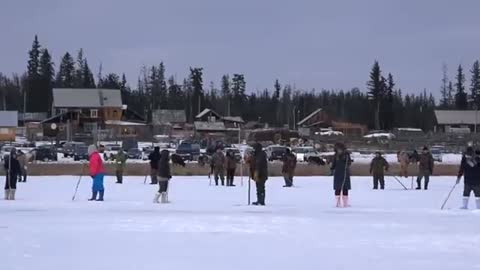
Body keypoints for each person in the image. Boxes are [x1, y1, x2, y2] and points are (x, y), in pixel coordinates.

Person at [331, 143, 352, 207]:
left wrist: (346, 160)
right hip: (337, 173)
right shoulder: (335, 155)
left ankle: (345, 203)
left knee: (345, 188)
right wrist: (332, 168)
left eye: (340, 149)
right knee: (337, 188)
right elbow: (333, 164)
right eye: (337, 149)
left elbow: (349, 163)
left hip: (345, 173)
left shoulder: (346, 155)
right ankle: (337, 202)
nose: (339, 150)